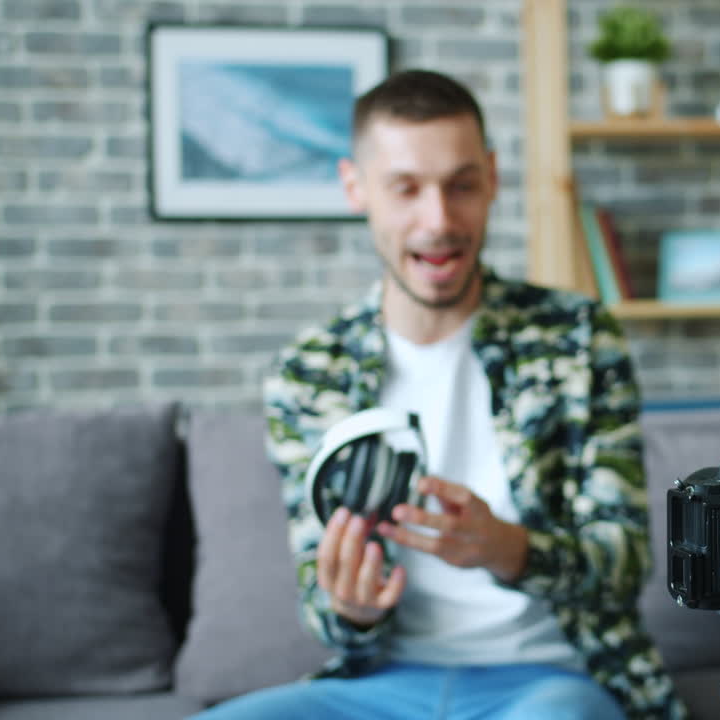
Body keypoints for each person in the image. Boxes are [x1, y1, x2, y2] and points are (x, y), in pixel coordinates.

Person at [196, 70, 685, 720]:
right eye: (406, 189)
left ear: (492, 178)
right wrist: (351, 606)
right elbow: (324, 605)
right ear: (355, 187)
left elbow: (625, 565)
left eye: (461, 185)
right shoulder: (310, 370)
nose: (440, 221)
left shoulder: (578, 339)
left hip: (549, 681)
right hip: (380, 686)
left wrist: (506, 547)